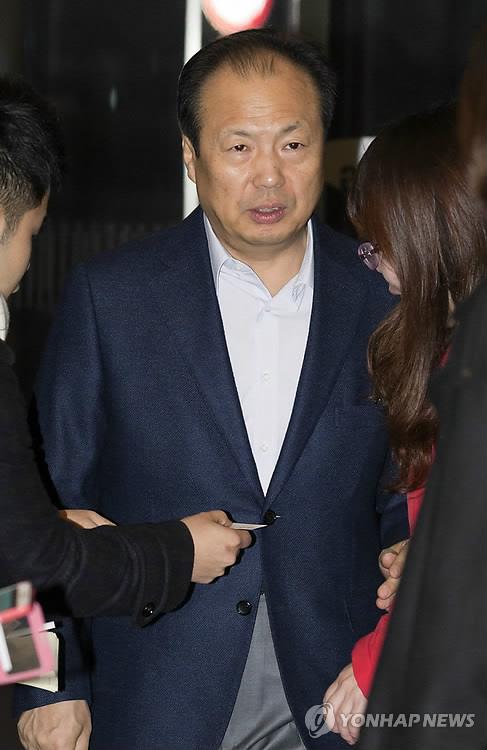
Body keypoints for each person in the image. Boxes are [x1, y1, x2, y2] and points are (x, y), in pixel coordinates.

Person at [15, 29, 408, 750]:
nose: (269, 177)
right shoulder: (112, 297)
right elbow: (25, 521)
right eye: (239, 147)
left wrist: (412, 554)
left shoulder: (381, 295)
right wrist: (40, 684)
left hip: (340, 698)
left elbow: (405, 491)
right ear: (191, 158)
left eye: (293, 144)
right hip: (152, 699)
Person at [0, 73, 251, 626]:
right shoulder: (108, 293)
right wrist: (179, 551)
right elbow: (35, 568)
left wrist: (43, 529)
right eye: (33, 233)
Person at [322, 82, 487, 747]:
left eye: (380, 242)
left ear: (432, 230)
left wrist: (373, 662)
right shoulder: (449, 348)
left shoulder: (471, 360)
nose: (373, 262)